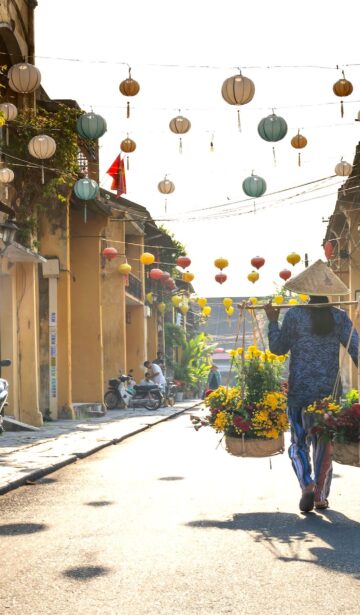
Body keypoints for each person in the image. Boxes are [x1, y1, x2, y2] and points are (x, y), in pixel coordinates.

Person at [263, 259, 358, 513]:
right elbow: (357, 350)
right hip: (328, 394)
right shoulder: (340, 318)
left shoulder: (294, 315)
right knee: (323, 443)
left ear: (306, 292)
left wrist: (273, 320)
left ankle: (306, 483)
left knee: (298, 442)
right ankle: (319, 496)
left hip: (298, 393)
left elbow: (277, 348)